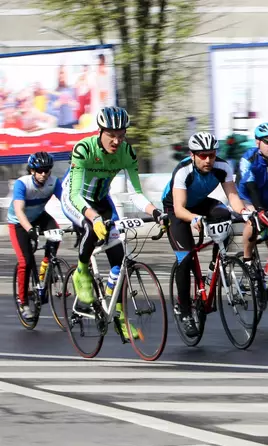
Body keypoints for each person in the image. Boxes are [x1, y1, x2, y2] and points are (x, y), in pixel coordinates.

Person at [60, 106, 164, 340]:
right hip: (76, 198)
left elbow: (136, 194)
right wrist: (94, 217)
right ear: (100, 131)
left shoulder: (127, 152)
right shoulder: (84, 149)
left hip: (102, 200)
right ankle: (81, 273)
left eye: (121, 135)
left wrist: (156, 212)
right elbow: (75, 195)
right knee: (91, 228)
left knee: (119, 260)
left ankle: (116, 315)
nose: (117, 140)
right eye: (111, 135)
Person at [162, 131, 250, 337]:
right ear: (193, 155)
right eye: (203, 155)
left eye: (211, 154)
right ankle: (184, 311)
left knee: (225, 215)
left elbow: (233, 198)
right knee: (185, 258)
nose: (208, 160)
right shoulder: (183, 171)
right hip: (176, 209)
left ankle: (214, 267)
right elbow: (180, 208)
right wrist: (193, 218)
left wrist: (246, 212)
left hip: (200, 202)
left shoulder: (222, 167)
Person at [236, 122, 268, 317]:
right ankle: (248, 261)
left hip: (267, 204)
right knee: (253, 220)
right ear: (258, 142)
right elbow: (250, 186)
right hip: (246, 199)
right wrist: (258, 210)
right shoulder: (248, 158)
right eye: (267, 142)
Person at [8, 152, 62, 321]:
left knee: (57, 234)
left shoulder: (53, 183)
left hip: (39, 216)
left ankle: (46, 269)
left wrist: (79, 223)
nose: (44, 174)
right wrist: (30, 229)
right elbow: (19, 210)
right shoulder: (22, 184)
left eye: (47, 170)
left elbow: (68, 203)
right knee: (25, 261)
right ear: (32, 170)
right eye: (40, 170)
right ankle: (23, 302)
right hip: (19, 222)